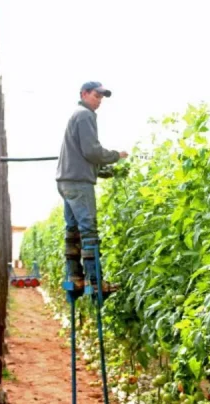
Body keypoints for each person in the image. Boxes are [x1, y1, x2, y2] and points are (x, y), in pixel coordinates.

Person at [55, 81, 127, 293]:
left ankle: (76, 278)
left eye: (101, 98)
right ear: (84, 94)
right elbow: (92, 152)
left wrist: (102, 171)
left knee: (73, 231)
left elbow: (82, 156)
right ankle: (95, 283)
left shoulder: (77, 115)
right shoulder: (85, 115)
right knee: (88, 231)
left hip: (67, 182)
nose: (99, 101)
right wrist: (116, 156)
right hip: (78, 184)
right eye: (97, 96)